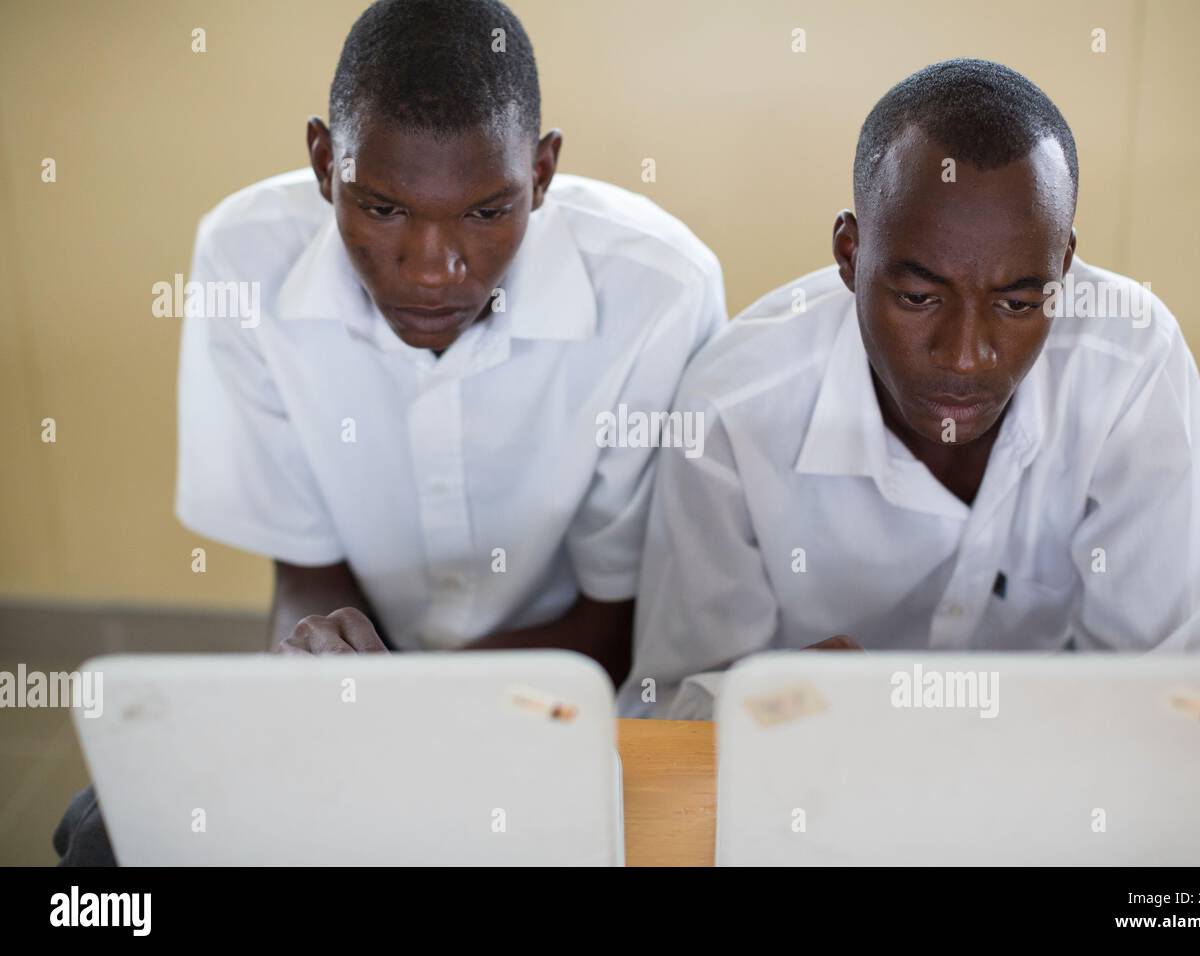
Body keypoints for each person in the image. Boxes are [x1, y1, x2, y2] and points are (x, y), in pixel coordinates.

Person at [55, 0, 725, 865]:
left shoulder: (658, 292)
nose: (431, 266)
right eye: (382, 209)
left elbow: (620, 619)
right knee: (104, 837)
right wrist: (318, 653)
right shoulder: (244, 260)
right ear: (324, 162)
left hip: (571, 703)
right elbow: (305, 570)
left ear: (545, 171)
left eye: (487, 214)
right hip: (362, 696)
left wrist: (410, 711)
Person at [618, 59, 1200, 720]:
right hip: (807, 790)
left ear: (1064, 267)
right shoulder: (732, 409)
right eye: (918, 296)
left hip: (1053, 787)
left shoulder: (1135, 368)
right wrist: (761, 703)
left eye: (1019, 304)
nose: (966, 357)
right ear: (849, 255)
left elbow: (1154, 698)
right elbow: (669, 712)